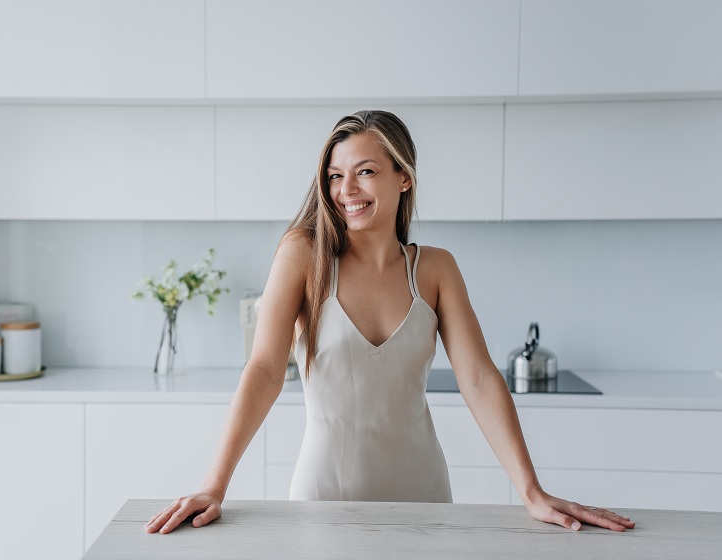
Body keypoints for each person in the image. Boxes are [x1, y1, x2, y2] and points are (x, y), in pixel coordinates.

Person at [145, 110, 635, 534]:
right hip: (322, 499)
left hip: (422, 497)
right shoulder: (304, 256)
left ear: (404, 177)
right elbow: (265, 370)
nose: (346, 190)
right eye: (335, 176)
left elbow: (479, 377)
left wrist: (531, 491)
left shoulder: (436, 269)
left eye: (365, 172)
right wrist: (214, 486)